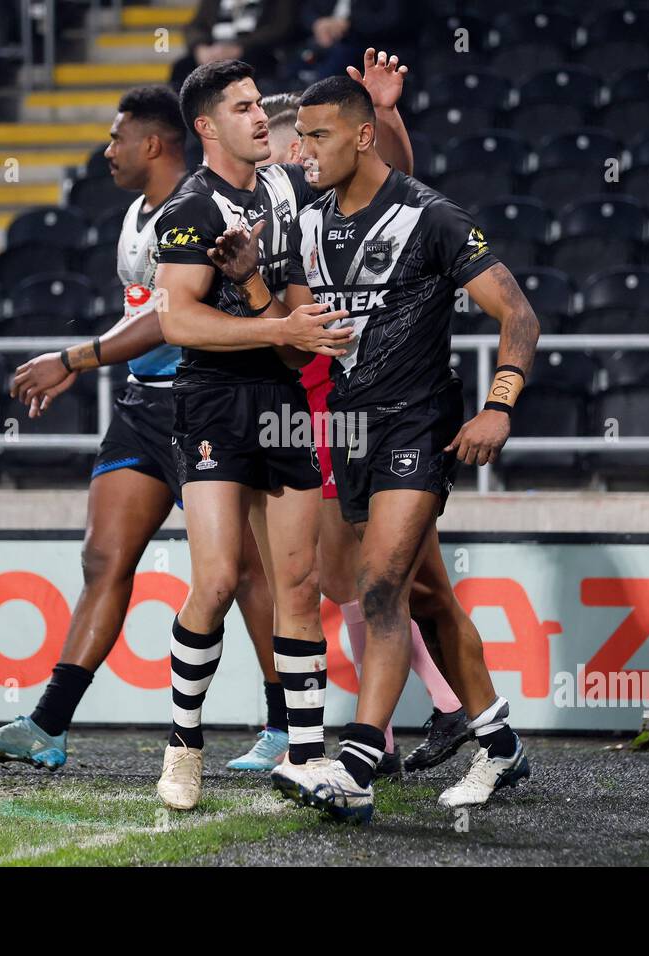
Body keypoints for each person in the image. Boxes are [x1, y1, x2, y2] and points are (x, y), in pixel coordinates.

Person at [211, 75, 540, 821]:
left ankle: (356, 760)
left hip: (418, 424)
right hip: (349, 430)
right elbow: (301, 350)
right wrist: (253, 289)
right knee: (424, 598)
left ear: (363, 136)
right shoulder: (305, 229)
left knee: (380, 587)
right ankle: (500, 744)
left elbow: (518, 313)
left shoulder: (432, 217)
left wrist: (500, 405)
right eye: (299, 137)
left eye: (318, 136)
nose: (301, 150)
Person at [0, 87, 291, 771]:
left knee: (247, 572)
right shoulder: (137, 216)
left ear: (155, 144)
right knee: (104, 560)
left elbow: (168, 319)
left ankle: (283, 726)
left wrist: (74, 358)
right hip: (144, 406)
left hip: (206, 402)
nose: (107, 152)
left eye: (117, 139)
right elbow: (148, 311)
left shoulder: (201, 208)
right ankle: (49, 724)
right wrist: (86, 359)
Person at [149, 52, 413, 811]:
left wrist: (385, 116)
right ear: (206, 127)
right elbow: (178, 319)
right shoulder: (191, 210)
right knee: (220, 577)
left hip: (283, 397)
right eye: (242, 108)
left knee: (298, 587)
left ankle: (303, 756)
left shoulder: (288, 188)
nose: (262, 116)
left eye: (260, 103)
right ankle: (184, 741)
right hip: (211, 403)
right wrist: (280, 326)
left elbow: (393, 180)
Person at [257, 92, 470, 775]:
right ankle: (461, 719)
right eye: (293, 140)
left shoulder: (303, 189)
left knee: (354, 583)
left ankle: (375, 731)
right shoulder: (273, 199)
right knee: (394, 584)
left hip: (340, 401)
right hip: (314, 399)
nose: (291, 150)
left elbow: (398, 189)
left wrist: (389, 115)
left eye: (298, 139)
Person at [171, 0, 299, 90]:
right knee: (183, 67)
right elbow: (195, 25)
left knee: (254, 63)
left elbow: (281, 28)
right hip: (214, 51)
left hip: (255, 51)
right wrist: (200, 47)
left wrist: (239, 47)